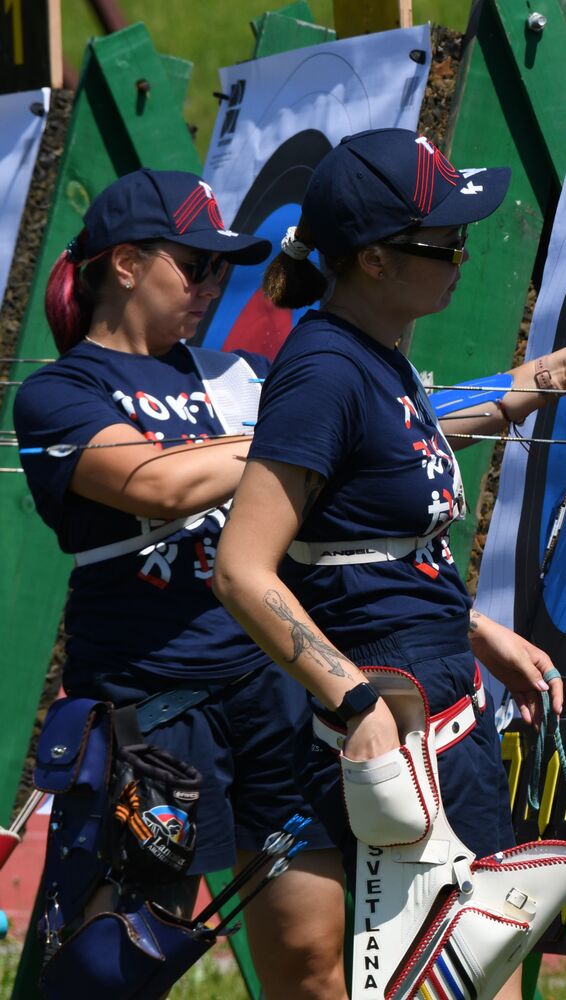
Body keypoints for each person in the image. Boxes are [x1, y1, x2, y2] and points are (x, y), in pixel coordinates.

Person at [212, 128, 566, 998]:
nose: (462, 255)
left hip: (431, 691)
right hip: (368, 718)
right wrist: (353, 696)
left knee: (477, 963)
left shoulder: (374, 355)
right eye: (443, 243)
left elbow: (403, 455)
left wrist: (551, 374)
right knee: (370, 976)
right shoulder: (324, 372)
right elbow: (243, 567)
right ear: (373, 258)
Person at [12, 169, 346, 996]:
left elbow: (378, 429)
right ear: (125, 264)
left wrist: (538, 385)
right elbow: (157, 485)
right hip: (152, 717)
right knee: (111, 972)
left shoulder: (233, 375)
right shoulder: (59, 394)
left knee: (313, 959)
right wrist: (292, 432)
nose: (209, 288)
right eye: (193, 266)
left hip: (268, 702)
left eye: (221, 271)